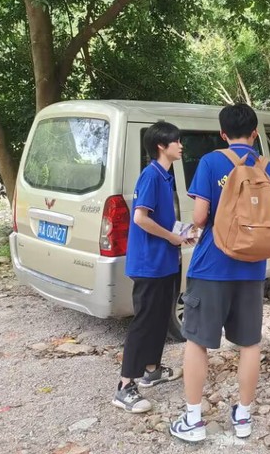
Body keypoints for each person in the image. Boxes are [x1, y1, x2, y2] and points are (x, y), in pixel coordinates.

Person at [169, 102, 270, 443]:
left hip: (212, 266)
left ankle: (193, 420)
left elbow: (200, 217)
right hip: (252, 269)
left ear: (222, 134)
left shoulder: (211, 162)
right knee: (249, 343)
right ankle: (244, 416)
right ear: (254, 133)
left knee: (197, 341)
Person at [112, 121, 185, 413]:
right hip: (148, 263)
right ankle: (124, 386)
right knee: (144, 322)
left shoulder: (165, 176)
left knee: (159, 317)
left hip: (164, 260)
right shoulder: (151, 176)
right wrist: (171, 237)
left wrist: (182, 234)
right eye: (176, 141)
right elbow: (140, 218)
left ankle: (152, 370)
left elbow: (162, 219)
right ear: (161, 146)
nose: (181, 146)